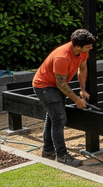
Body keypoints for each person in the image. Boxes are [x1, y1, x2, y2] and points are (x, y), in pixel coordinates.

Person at [31, 29, 96, 167]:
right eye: (88, 46)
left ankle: (48, 150)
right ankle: (61, 156)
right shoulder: (62, 57)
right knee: (59, 118)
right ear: (77, 46)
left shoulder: (83, 51)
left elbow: (83, 69)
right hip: (45, 86)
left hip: (57, 85)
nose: (91, 48)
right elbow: (60, 84)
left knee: (53, 116)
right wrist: (77, 100)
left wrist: (82, 89)